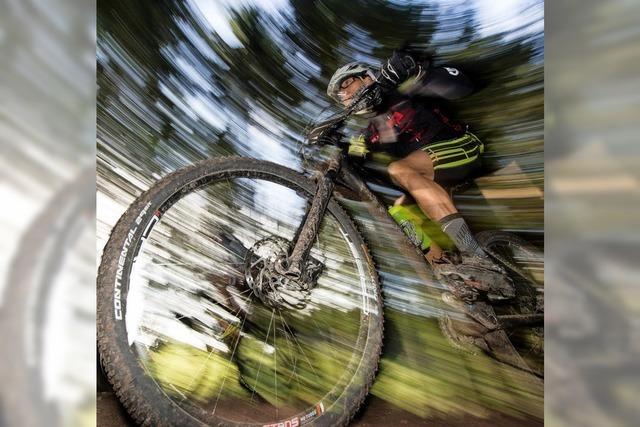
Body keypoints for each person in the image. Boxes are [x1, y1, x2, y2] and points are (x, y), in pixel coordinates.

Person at [326, 52, 514, 329]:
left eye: (347, 84)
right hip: (428, 174)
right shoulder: (369, 133)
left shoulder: (401, 88)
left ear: (367, 77)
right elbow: (356, 161)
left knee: (399, 170)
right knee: (396, 211)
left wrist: (413, 67)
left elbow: (463, 85)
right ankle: (461, 285)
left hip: (461, 146)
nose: (345, 95)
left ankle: (478, 257)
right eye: (341, 96)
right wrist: (337, 149)